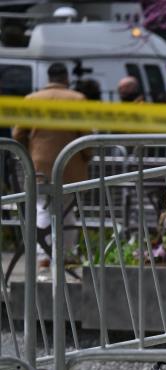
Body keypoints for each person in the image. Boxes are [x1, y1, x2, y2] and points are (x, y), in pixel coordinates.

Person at [12, 63, 90, 275]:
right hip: (70, 164)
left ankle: (44, 257)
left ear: (48, 78)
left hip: (40, 165)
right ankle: (66, 255)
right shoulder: (77, 99)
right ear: (66, 78)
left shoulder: (31, 100)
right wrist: (87, 156)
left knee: (43, 208)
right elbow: (86, 134)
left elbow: (18, 133)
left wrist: (27, 154)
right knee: (67, 211)